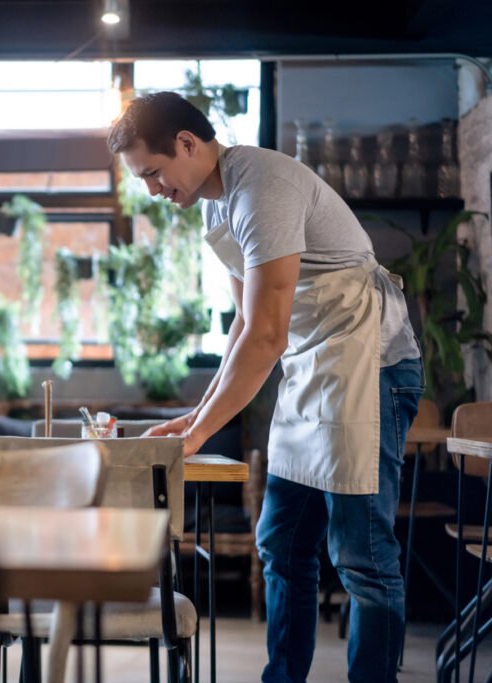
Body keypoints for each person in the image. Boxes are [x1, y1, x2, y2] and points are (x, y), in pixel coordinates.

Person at [108, 92, 422, 683]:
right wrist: (196, 414)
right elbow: (244, 326)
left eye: (152, 172)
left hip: (370, 368)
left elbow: (267, 336)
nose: (151, 189)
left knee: (362, 559)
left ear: (186, 143)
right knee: (281, 544)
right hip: (313, 371)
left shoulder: (261, 189)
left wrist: (200, 433)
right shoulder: (212, 206)